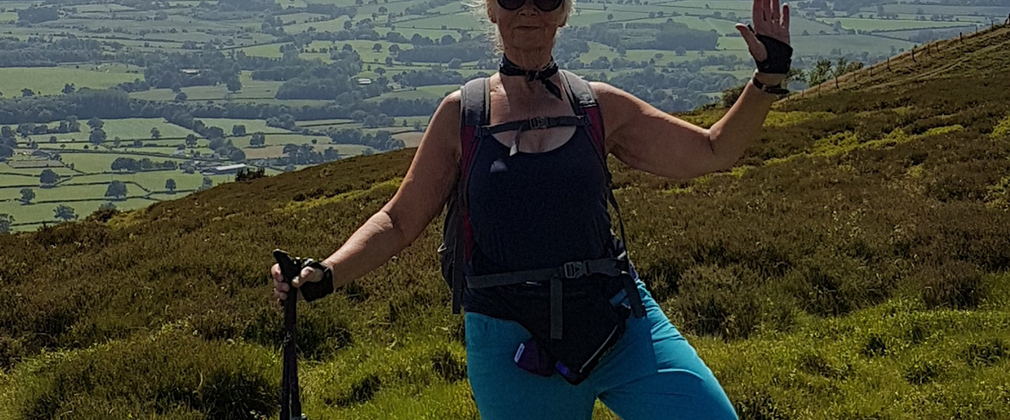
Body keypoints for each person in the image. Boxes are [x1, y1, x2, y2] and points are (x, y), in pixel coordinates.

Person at [272, 0, 792, 416]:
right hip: (511, 342)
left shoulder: (599, 107)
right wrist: (327, 273)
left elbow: (713, 150)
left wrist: (769, 76)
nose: (529, 11)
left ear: (563, 12)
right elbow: (400, 218)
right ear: (492, 10)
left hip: (618, 321)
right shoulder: (462, 115)